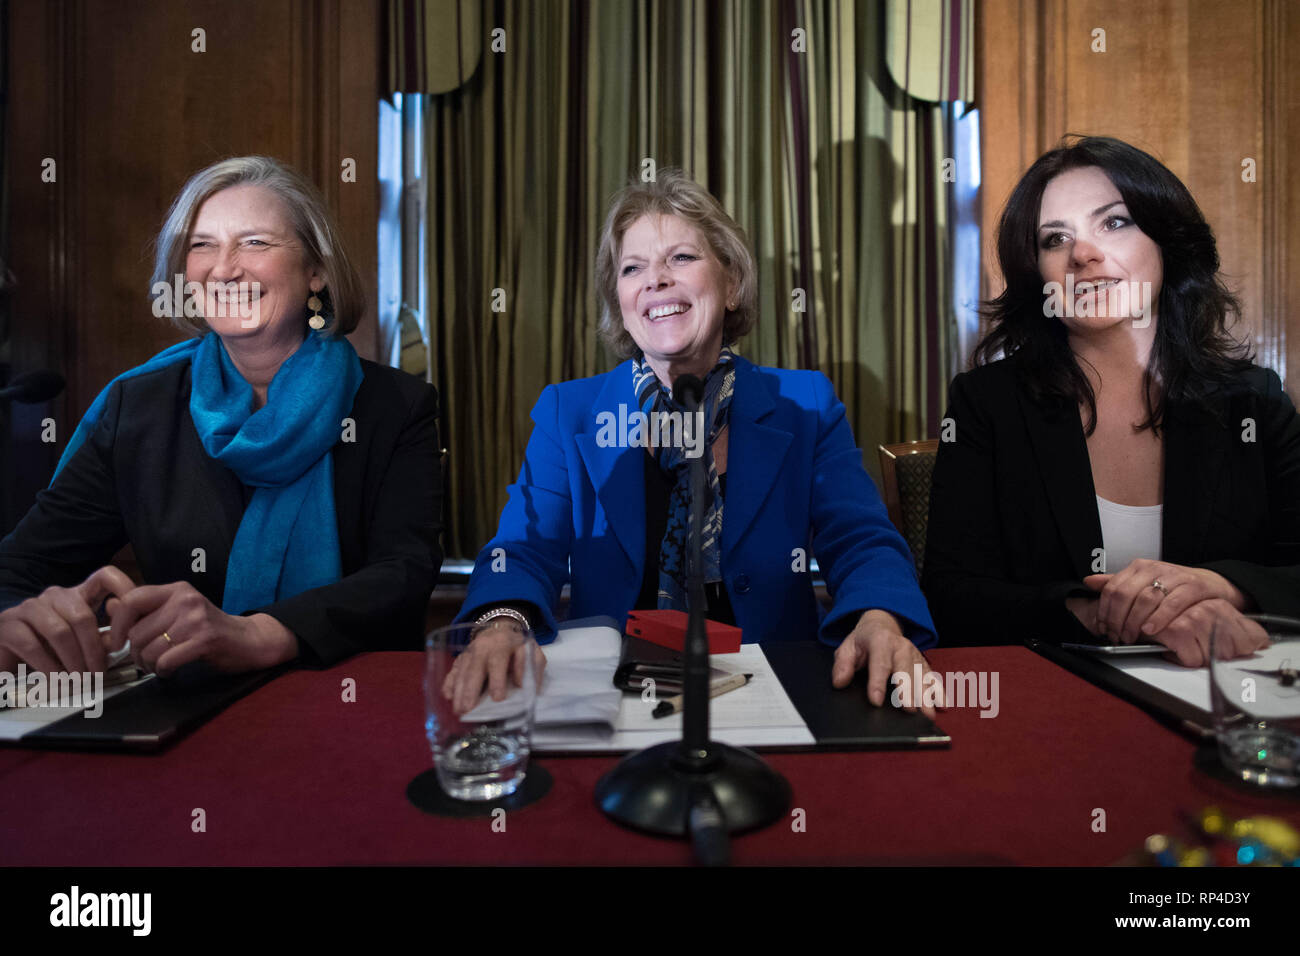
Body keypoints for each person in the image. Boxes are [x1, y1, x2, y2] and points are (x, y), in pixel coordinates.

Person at [446, 169, 939, 716]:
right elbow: (522, 549)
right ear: (621, 300)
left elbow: (861, 540)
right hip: (609, 695)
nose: (656, 280)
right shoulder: (570, 412)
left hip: (776, 690)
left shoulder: (807, 405)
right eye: (634, 268)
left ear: (731, 284)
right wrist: (501, 622)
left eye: (681, 258)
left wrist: (878, 617)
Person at [0, 156, 443, 680]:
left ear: (316, 271)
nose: (224, 267)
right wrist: (20, 616)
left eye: (255, 242)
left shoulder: (397, 404)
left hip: (346, 698)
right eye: (201, 244)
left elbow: (402, 575)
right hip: (183, 705)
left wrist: (259, 633)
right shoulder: (135, 408)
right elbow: (21, 570)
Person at [923, 136, 1300, 664]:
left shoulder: (1254, 402)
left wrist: (1222, 589)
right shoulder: (987, 403)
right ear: (1037, 274)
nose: (1083, 253)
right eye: (1055, 238)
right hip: (1063, 703)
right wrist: (1104, 613)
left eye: (1114, 222)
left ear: (1167, 239)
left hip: (1227, 700)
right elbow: (950, 596)